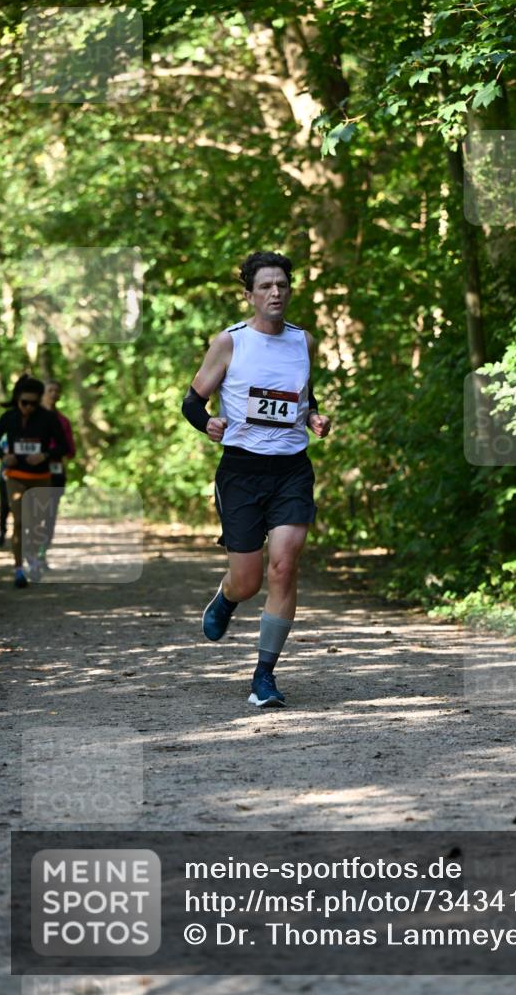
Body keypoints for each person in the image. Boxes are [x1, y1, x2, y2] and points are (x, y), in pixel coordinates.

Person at [182, 251, 331, 708]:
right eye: (265, 286)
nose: (276, 293)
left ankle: (264, 676)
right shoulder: (230, 343)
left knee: (284, 565)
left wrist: (314, 417)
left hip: (291, 470)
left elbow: (302, 397)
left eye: (282, 285)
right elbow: (192, 401)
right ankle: (227, 598)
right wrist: (205, 422)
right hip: (241, 471)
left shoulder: (303, 341)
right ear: (249, 294)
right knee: (247, 581)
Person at [0, 375, 67, 587]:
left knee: (36, 523)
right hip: (15, 477)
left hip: (41, 478)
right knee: (20, 521)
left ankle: (32, 557)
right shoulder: (8, 418)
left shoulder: (48, 419)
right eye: (25, 403)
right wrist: (3, 455)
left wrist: (45, 455)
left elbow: (63, 445)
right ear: (17, 400)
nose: (29, 408)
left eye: (34, 403)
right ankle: (18, 569)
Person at [40, 379, 76, 565]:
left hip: (56, 471)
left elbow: (70, 450)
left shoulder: (63, 421)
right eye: (49, 390)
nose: (53, 394)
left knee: (50, 515)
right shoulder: (32, 418)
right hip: (33, 473)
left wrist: (54, 453)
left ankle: (41, 554)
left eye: (56, 390)